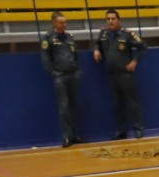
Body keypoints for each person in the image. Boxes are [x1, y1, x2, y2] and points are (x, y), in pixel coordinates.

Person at [93, 9, 146, 140]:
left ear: (118, 20)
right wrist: (96, 50)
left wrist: (135, 61)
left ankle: (138, 129)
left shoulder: (127, 34)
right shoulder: (103, 34)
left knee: (132, 103)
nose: (110, 21)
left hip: (125, 74)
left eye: (113, 19)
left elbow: (142, 46)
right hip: (111, 74)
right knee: (117, 104)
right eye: (108, 19)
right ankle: (121, 131)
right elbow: (97, 43)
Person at [40, 12, 83, 148]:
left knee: (75, 106)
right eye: (61, 22)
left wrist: (77, 70)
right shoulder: (48, 38)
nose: (64, 25)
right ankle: (67, 136)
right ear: (54, 23)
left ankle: (76, 135)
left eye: (65, 22)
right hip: (60, 76)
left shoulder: (70, 37)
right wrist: (54, 73)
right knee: (64, 108)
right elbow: (45, 59)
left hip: (73, 75)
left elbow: (75, 55)